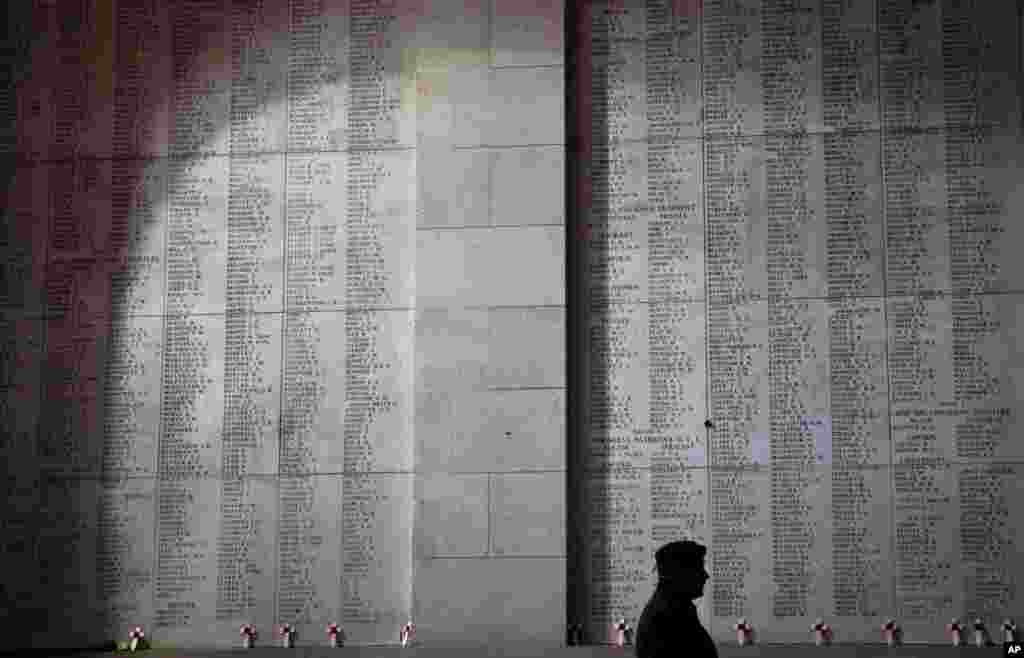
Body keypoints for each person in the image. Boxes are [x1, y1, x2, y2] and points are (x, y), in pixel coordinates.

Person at [635, 540, 717, 658]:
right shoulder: (667, 616)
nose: (706, 575)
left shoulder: (676, 608)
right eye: (699, 568)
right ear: (681, 573)